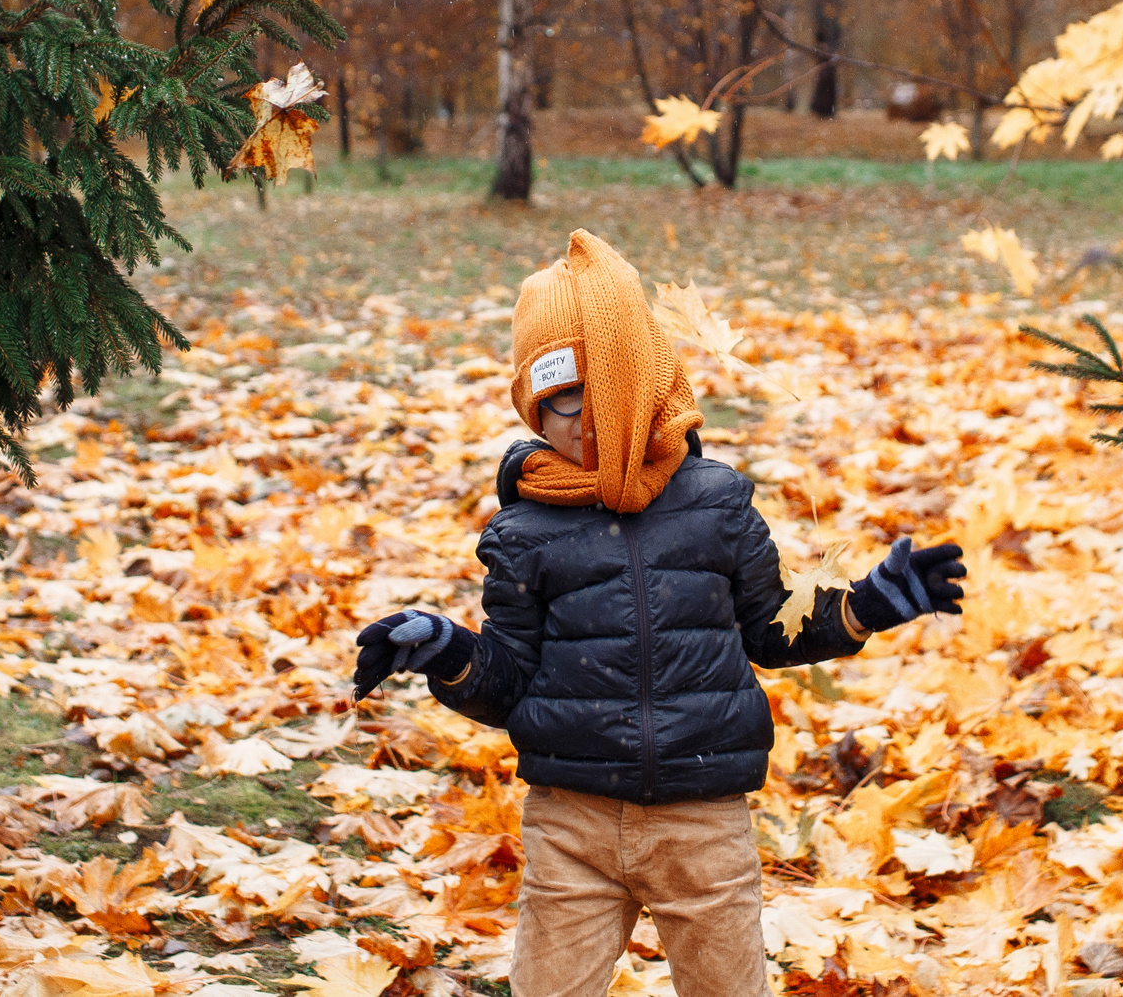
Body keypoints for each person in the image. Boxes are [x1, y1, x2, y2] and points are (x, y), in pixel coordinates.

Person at [351, 229, 966, 997]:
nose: (580, 420)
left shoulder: (717, 501)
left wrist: (868, 605)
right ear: (532, 412)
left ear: (641, 383)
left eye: (595, 392)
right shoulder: (522, 533)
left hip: (702, 820)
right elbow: (508, 683)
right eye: (555, 402)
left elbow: (772, 628)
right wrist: (446, 650)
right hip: (571, 820)